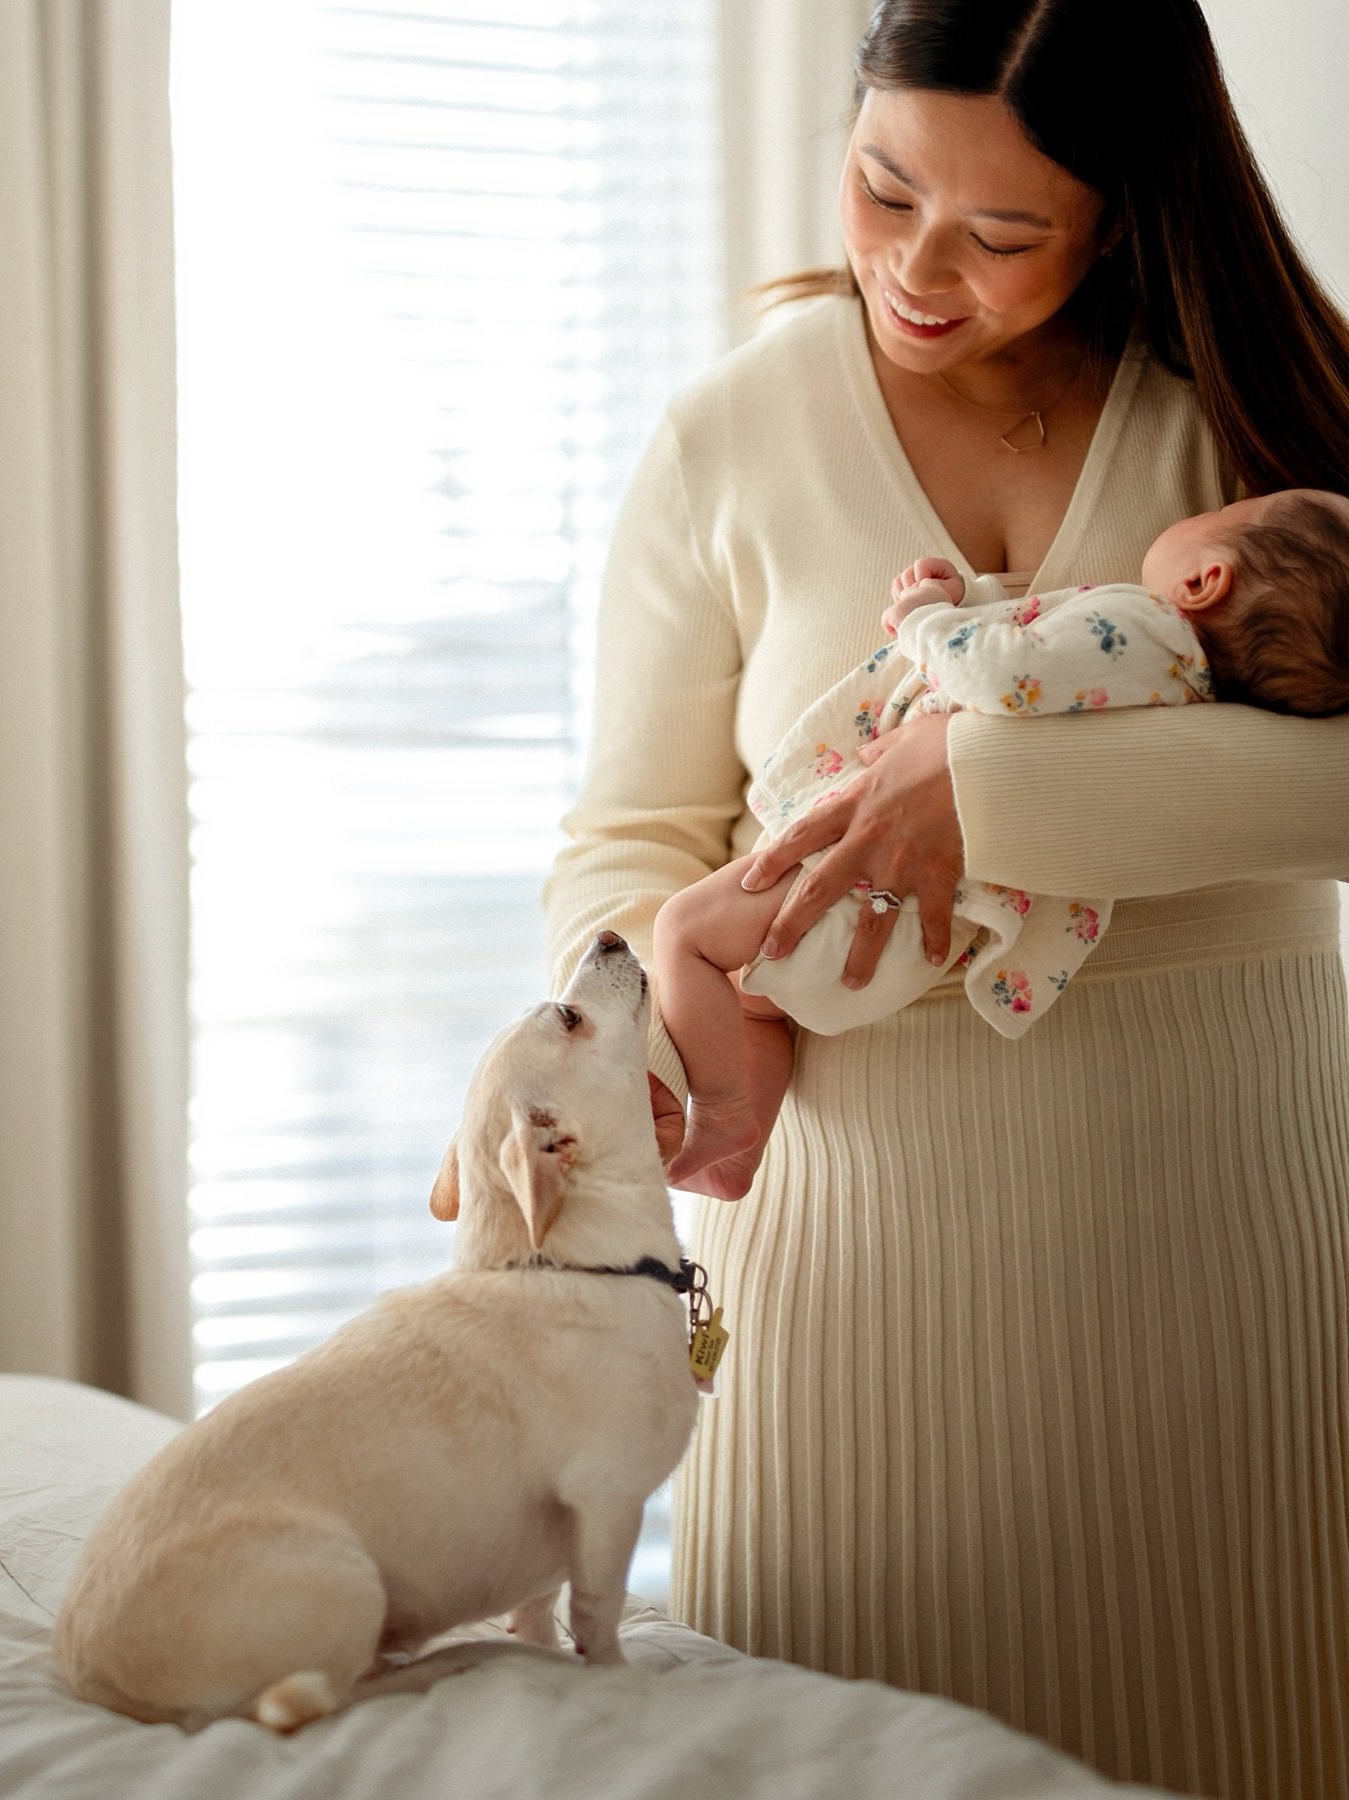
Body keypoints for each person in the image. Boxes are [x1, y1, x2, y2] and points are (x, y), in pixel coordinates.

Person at [542, 2, 1349, 1793]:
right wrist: (673, 983)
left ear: (1127, 210)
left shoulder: (1260, 408)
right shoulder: (732, 435)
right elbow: (625, 833)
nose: (919, 266)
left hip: (1224, 1261)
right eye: (885, 186)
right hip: (843, 1270)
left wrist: (990, 789)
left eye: (1002, 233)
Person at [655, 490, 1349, 1198]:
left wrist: (924, 614)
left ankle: (721, 1111)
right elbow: (1041, 674)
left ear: (1205, 581)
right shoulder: (1178, 687)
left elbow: (1001, 673)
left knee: (684, 932)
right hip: (915, 928)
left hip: (859, 885)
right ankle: (734, 1156)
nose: (1212, 506)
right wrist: (975, 600)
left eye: (1227, 514)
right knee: (755, 1006)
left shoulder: (1145, 628)